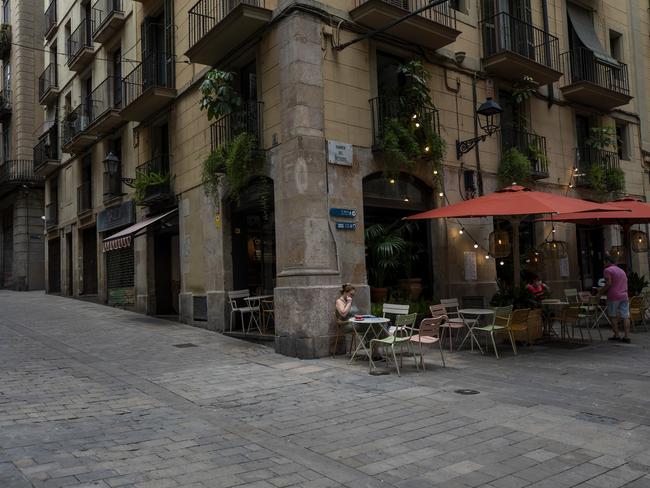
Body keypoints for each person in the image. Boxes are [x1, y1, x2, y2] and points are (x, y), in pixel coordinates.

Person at [598, 255, 631, 343]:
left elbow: (608, 283)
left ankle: (616, 335)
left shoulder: (607, 270)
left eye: (604, 262)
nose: (604, 263)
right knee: (625, 316)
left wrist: (600, 292)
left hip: (614, 296)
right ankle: (627, 336)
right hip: (624, 295)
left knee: (613, 316)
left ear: (608, 261)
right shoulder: (621, 271)